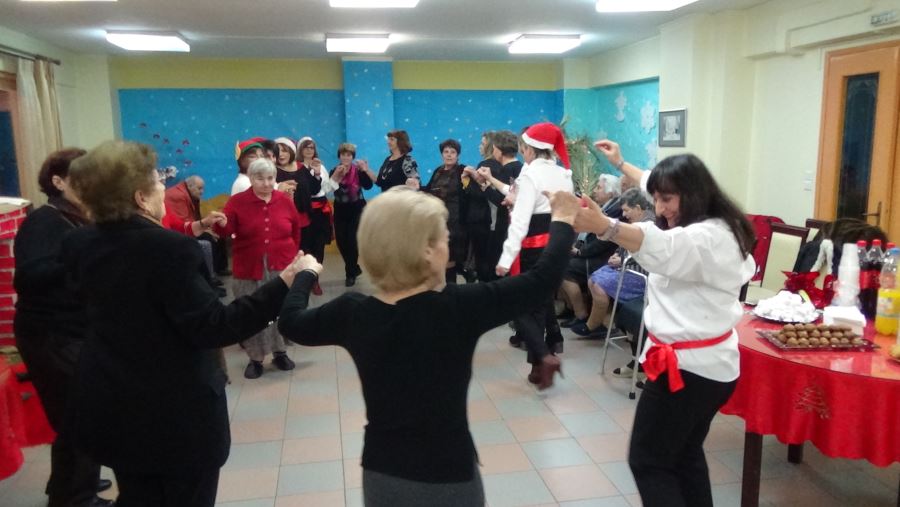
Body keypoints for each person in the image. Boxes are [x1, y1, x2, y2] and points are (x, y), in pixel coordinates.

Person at [278, 187, 579, 507]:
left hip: (383, 473)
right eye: (445, 238)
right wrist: (562, 218)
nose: (450, 245)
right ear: (427, 251)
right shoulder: (459, 307)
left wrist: (305, 274)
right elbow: (542, 281)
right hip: (449, 475)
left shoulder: (352, 313)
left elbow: (291, 321)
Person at [61, 140, 316, 507]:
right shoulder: (170, 250)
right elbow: (214, 327)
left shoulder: (78, 242)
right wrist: (287, 282)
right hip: (172, 417)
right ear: (140, 197)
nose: (163, 186)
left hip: (114, 403)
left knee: (139, 497)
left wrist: (194, 227)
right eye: (156, 180)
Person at [575, 139, 756, 507]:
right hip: (710, 368)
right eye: (655, 199)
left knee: (649, 461)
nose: (659, 208)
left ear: (694, 194)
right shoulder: (719, 223)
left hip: (687, 373)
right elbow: (652, 185)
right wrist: (621, 164)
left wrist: (605, 226)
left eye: (667, 199)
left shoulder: (705, 238)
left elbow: (658, 244)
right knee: (684, 455)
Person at [13, 148, 113, 507]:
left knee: (83, 411)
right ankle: (74, 497)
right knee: (79, 414)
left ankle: (75, 483)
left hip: (72, 330)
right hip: (50, 334)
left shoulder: (76, 217)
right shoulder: (44, 221)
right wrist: (83, 257)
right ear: (58, 181)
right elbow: (29, 277)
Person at [482, 123, 574, 387]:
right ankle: (538, 365)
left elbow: (520, 222)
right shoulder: (564, 174)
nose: (522, 153)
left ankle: (543, 356)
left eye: (523, 148)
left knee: (518, 302)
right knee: (541, 303)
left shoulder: (530, 175)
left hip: (533, 247)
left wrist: (505, 259)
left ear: (530, 149)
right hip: (558, 245)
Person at [217, 158, 305, 379]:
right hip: (249, 266)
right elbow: (225, 231)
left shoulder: (284, 201)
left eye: (270, 178)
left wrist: (293, 257)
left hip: (281, 264)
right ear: (251, 178)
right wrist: (220, 224)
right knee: (251, 312)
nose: (266, 183)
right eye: (260, 178)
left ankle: (280, 352)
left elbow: (295, 230)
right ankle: (255, 358)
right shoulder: (237, 202)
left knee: (279, 309)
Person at [571, 188, 655, 346]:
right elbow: (624, 244)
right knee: (593, 279)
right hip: (627, 265)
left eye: (626, 210)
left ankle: (594, 325)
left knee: (599, 284)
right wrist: (617, 254)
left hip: (640, 273)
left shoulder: (649, 225)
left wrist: (621, 259)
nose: (624, 214)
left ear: (638, 208)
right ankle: (600, 322)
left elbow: (646, 254)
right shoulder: (638, 221)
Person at [558, 175, 624, 328]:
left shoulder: (615, 211)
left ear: (610, 193)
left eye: (599, 188)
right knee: (558, 261)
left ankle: (580, 314)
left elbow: (604, 242)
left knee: (564, 269)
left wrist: (580, 252)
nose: (595, 191)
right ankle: (571, 308)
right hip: (590, 251)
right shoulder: (606, 206)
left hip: (602, 257)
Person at [329, 143, 375, 286]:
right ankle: (354, 268)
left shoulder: (358, 171)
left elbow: (368, 186)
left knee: (352, 241)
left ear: (352, 157)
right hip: (340, 209)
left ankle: (350, 274)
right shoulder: (334, 171)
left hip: (357, 208)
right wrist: (337, 175)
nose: (346, 157)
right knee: (341, 242)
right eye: (343, 154)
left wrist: (365, 170)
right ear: (339, 156)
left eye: (349, 155)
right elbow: (330, 188)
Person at [295, 137, 336, 294]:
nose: (309, 150)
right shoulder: (297, 168)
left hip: (321, 212)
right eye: (306, 147)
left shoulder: (321, 166)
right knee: (305, 247)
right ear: (300, 150)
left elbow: (326, 188)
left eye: (311, 147)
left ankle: (315, 280)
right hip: (305, 210)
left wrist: (336, 179)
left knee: (319, 247)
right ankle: (303, 279)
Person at [423, 139, 468, 284]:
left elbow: (468, 193)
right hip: (437, 220)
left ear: (458, 155)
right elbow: (428, 190)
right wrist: (416, 187)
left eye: (452, 152)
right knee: (439, 258)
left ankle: (450, 289)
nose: (449, 155)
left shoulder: (462, 171)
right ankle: (442, 289)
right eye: (446, 152)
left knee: (450, 258)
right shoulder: (438, 170)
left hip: (454, 222)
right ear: (442, 154)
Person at [460, 132, 498, 282]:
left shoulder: (485, 165)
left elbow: (479, 193)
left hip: (481, 219)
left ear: (490, 146)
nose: (479, 146)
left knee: (482, 260)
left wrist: (466, 180)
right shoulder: (499, 166)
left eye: (482, 144)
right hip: (493, 221)